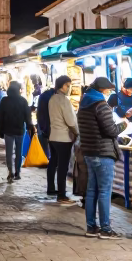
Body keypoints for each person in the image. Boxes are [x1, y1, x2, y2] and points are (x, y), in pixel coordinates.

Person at [77, 77, 124, 238]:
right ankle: (106, 229)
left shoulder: (84, 104)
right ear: (102, 90)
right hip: (102, 153)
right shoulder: (100, 105)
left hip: (89, 152)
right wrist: (124, 123)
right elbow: (111, 130)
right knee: (104, 191)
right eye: (108, 90)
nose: (109, 93)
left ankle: (91, 227)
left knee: (92, 191)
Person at [47, 75, 77, 206]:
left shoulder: (52, 99)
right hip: (63, 138)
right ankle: (61, 195)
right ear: (61, 85)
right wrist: (77, 132)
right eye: (67, 85)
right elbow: (71, 121)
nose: (69, 88)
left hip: (53, 136)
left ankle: (55, 190)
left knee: (55, 163)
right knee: (63, 167)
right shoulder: (64, 100)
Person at [0, 81, 32, 182]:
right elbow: (28, 116)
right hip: (20, 130)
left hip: (8, 130)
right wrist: (30, 127)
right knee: (19, 152)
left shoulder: (4, 100)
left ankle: (10, 171)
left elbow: (0, 117)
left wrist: (1, 130)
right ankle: (18, 172)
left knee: (9, 152)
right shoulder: (23, 101)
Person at [36, 82, 56, 195]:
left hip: (44, 128)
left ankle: (52, 188)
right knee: (56, 160)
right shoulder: (54, 98)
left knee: (52, 159)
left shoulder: (44, 96)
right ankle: (58, 191)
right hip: (53, 131)